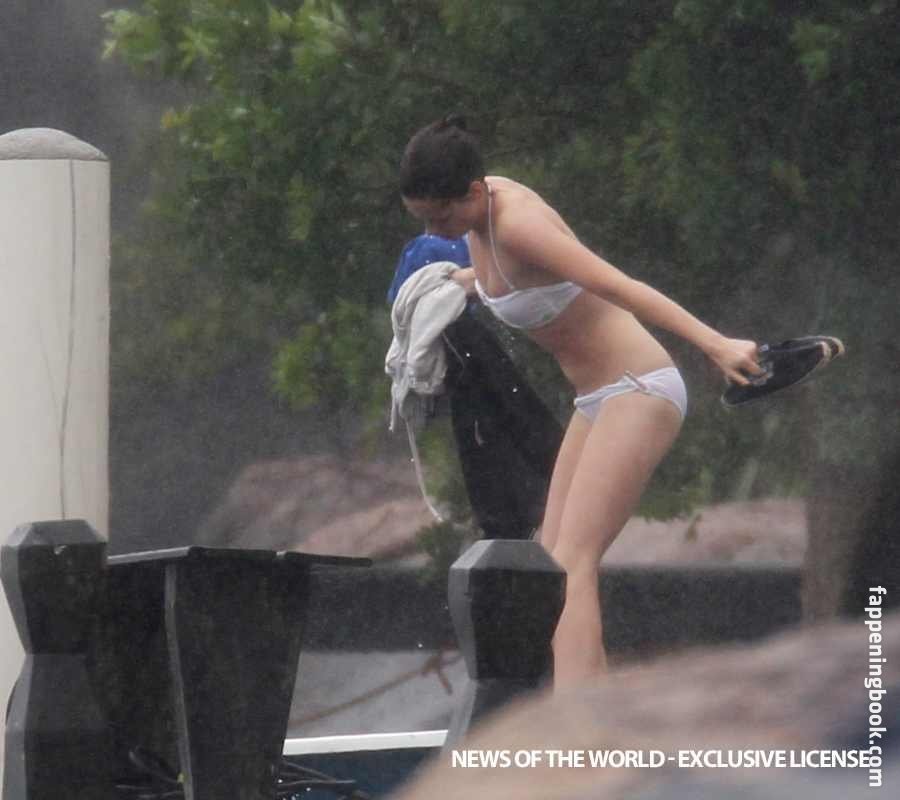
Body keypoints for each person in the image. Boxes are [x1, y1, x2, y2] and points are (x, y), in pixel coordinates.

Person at [399, 116, 763, 689]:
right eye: (424, 220)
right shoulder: (479, 215)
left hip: (639, 388)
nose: (435, 229)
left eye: (441, 218)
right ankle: (590, 703)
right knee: (547, 565)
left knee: (572, 562)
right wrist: (450, 286)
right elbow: (513, 283)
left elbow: (622, 287)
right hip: (595, 398)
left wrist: (715, 344)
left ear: (472, 191)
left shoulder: (518, 225)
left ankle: (578, 722)